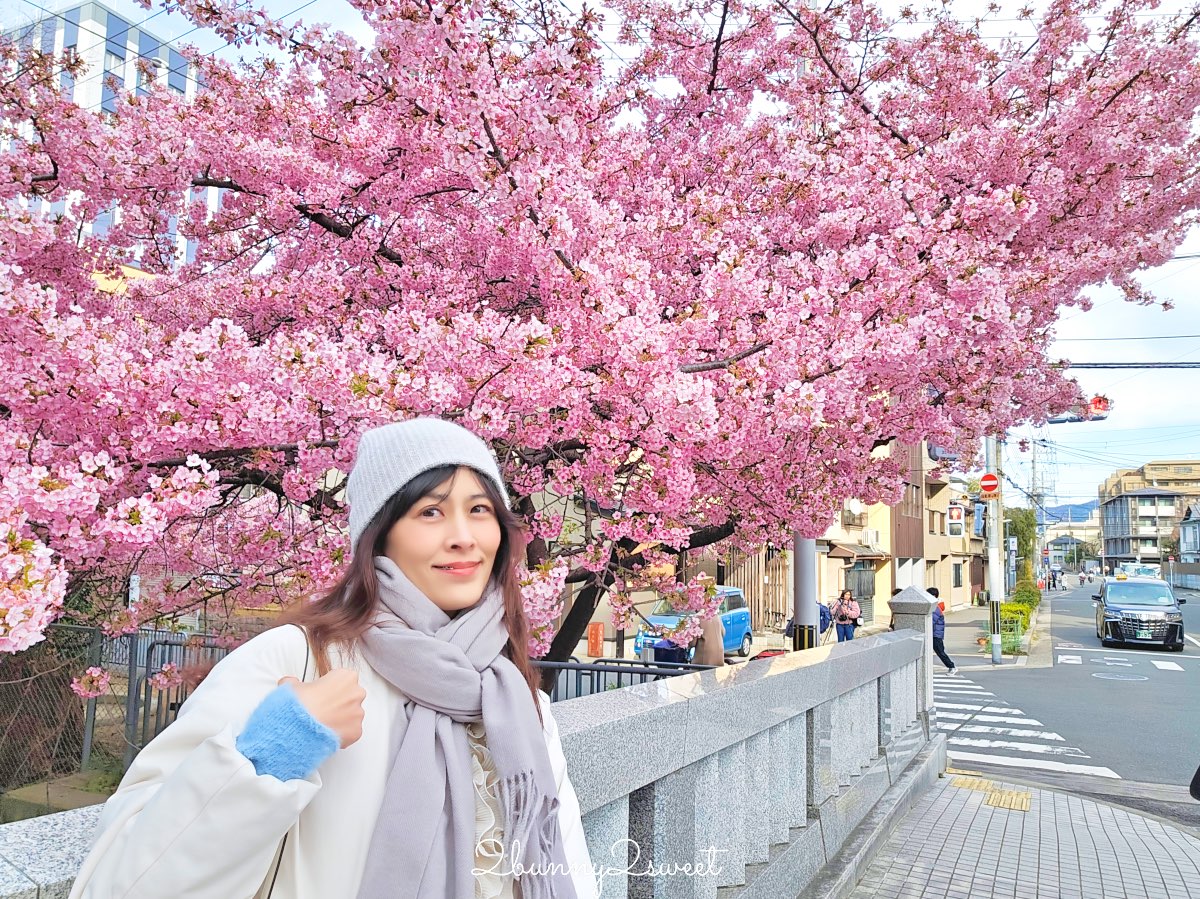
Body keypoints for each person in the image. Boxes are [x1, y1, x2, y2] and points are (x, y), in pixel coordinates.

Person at [69, 418, 598, 899]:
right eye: (430, 511)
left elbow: (565, 865)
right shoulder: (300, 659)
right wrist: (276, 750)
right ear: (380, 537)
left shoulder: (511, 695)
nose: (463, 538)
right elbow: (123, 883)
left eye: (479, 510)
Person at [928, 587, 957, 676]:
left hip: (936, 634)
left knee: (940, 652)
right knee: (938, 651)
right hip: (935, 634)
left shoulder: (935, 608)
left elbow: (931, 621)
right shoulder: (935, 606)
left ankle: (952, 667)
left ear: (933, 596)